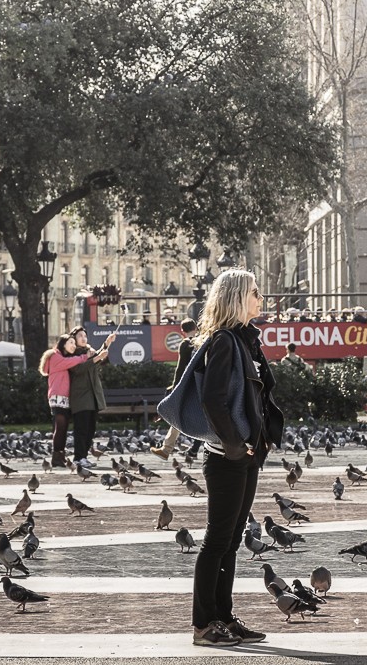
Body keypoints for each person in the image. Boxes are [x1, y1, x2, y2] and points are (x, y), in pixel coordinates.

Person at [191, 269, 283, 647]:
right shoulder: (225, 341)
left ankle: (224, 618)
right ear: (236, 297)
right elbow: (213, 398)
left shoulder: (245, 340)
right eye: (255, 293)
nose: (260, 299)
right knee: (217, 541)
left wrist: (256, 444)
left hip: (246, 453)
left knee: (230, 542)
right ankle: (203, 625)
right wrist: (232, 444)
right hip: (227, 456)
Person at [39, 335, 96, 467]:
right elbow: (69, 363)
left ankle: (60, 456)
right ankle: (57, 457)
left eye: (74, 343)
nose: (73, 345)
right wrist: (84, 357)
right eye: (71, 343)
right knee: (60, 428)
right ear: (63, 344)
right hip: (58, 397)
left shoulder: (61, 356)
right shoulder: (55, 356)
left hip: (63, 398)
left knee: (62, 428)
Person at [68, 326, 116, 469]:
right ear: (74, 340)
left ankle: (84, 457)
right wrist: (96, 358)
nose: (83, 338)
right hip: (80, 397)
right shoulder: (72, 354)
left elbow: (99, 356)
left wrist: (107, 343)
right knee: (81, 429)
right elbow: (78, 369)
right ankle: (78, 458)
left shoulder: (89, 352)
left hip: (92, 397)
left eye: (85, 336)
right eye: (80, 336)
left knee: (90, 429)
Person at [151, 319, 199, 460]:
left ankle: (169, 449)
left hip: (186, 386)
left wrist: (175, 387)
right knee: (183, 416)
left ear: (182, 331)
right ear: (196, 328)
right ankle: (173, 449)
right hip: (198, 385)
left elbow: (180, 368)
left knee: (180, 416)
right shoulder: (202, 343)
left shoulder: (185, 344)